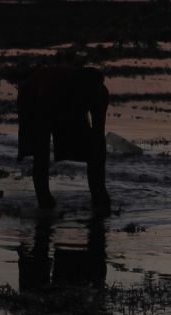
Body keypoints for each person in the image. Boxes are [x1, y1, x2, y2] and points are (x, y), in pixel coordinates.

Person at [16, 65, 111, 215]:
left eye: (90, 98)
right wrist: (45, 200)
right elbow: (42, 149)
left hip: (66, 103)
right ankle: (44, 199)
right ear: (76, 91)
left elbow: (98, 140)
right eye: (84, 97)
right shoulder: (52, 93)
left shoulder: (101, 96)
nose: (87, 101)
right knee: (38, 146)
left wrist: (100, 192)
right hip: (32, 96)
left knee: (92, 148)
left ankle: (97, 194)